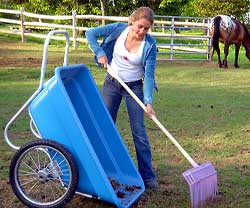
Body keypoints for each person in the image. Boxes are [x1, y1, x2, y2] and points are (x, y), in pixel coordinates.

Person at [86, 6, 158, 190]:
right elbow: (90, 34)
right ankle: (100, 169)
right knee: (106, 125)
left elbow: (149, 76)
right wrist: (100, 53)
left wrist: (148, 102)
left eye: (146, 29)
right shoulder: (118, 29)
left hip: (134, 87)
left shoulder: (149, 45)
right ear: (132, 21)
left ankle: (148, 176)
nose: (142, 31)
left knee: (139, 132)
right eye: (140, 26)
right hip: (111, 83)